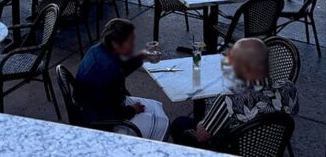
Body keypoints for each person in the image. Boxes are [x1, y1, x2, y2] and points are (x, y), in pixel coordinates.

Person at [171, 38, 299, 147]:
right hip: (271, 147)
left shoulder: (229, 100)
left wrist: (202, 121)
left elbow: (201, 136)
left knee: (179, 123)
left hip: (234, 149)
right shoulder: (289, 88)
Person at [75, 18, 168, 140]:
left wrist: (143, 55)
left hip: (92, 107)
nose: (133, 45)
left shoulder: (97, 50)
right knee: (162, 123)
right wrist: (133, 110)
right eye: (130, 41)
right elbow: (113, 113)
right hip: (99, 122)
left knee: (156, 108)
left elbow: (121, 69)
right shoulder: (108, 70)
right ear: (115, 43)